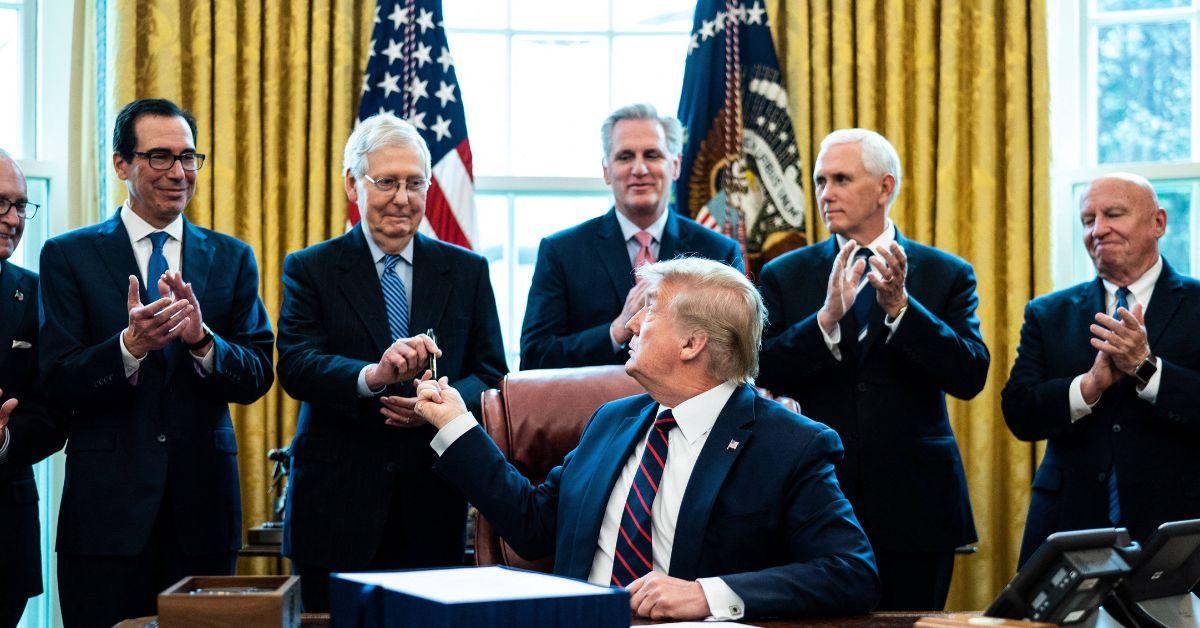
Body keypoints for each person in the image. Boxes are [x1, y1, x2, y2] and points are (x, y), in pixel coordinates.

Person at [414, 257, 879, 621]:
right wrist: (456, 424)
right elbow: (533, 526)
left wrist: (705, 595)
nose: (631, 325)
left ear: (691, 344)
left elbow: (850, 572)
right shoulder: (610, 422)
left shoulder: (790, 445)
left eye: (650, 311)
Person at [38, 98, 275, 627]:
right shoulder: (68, 256)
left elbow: (259, 370)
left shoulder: (232, 257)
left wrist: (203, 341)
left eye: (189, 157)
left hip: (203, 518)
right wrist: (130, 349)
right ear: (122, 165)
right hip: (106, 521)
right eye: (161, 157)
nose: (179, 172)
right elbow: (56, 380)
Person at [276, 113, 507, 612]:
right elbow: (295, 365)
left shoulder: (466, 271)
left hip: (432, 503)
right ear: (352, 185)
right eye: (386, 182)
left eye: (414, 183)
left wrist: (437, 403)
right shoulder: (310, 268)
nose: (402, 197)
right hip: (334, 510)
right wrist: (373, 378)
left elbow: (493, 374)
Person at [757, 129, 989, 611]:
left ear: (885, 188)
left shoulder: (946, 272)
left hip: (916, 501)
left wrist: (902, 308)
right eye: (820, 181)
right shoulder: (786, 273)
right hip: (815, 496)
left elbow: (970, 375)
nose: (825, 194)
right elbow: (762, 370)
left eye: (841, 179)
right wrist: (826, 320)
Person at [1002, 173, 1200, 566]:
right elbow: (1020, 413)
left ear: (1158, 223)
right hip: (1068, 524)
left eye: (1113, 214)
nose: (1098, 230)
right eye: (1088, 220)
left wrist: (1146, 369)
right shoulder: (1048, 312)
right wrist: (1087, 387)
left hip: (1176, 526)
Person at [519, 103, 743, 370]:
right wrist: (617, 329)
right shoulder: (561, 252)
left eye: (652, 155)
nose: (639, 169)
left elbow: (737, 354)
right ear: (606, 170)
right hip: (590, 408)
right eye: (625, 157)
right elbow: (534, 357)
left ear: (675, 166)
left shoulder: (718, 252)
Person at [0, 150, 63, 628]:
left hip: (5, 539)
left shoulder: (36, 292)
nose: (14, 219)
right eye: (1, 204)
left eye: (21, 206)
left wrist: (4, 438)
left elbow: (53, 414)